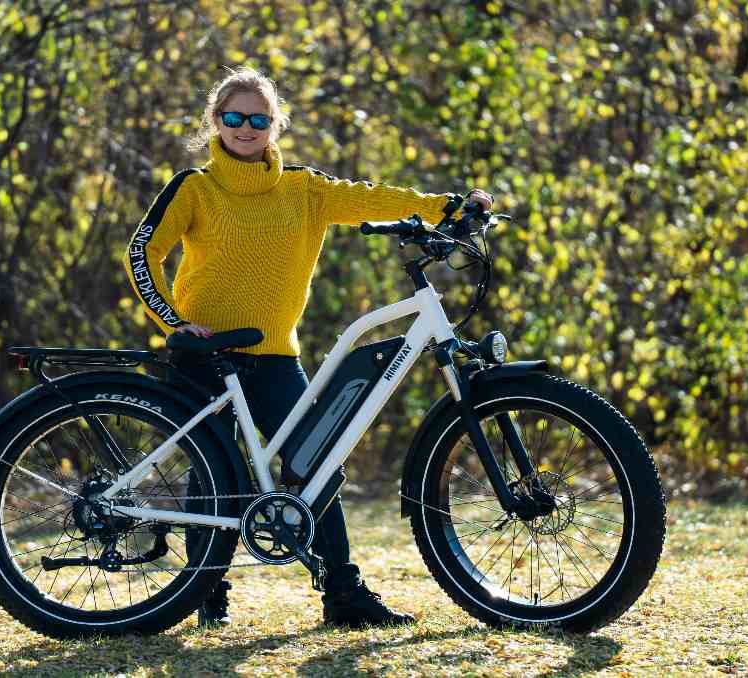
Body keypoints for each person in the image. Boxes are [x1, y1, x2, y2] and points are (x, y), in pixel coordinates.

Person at [122, 66, 493, 628]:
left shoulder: (305, 189)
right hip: (205, 354)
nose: (246, 128)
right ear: (215, 121)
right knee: (213, 474)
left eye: (259, 119)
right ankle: (205, 593)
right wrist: (174, 322)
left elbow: (374, 198)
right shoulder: (194, 187)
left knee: (315, 465)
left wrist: (449, 206)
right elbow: (142, 251)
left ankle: (344, 594)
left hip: (274, 356)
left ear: (276, 125)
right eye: (233, 117)